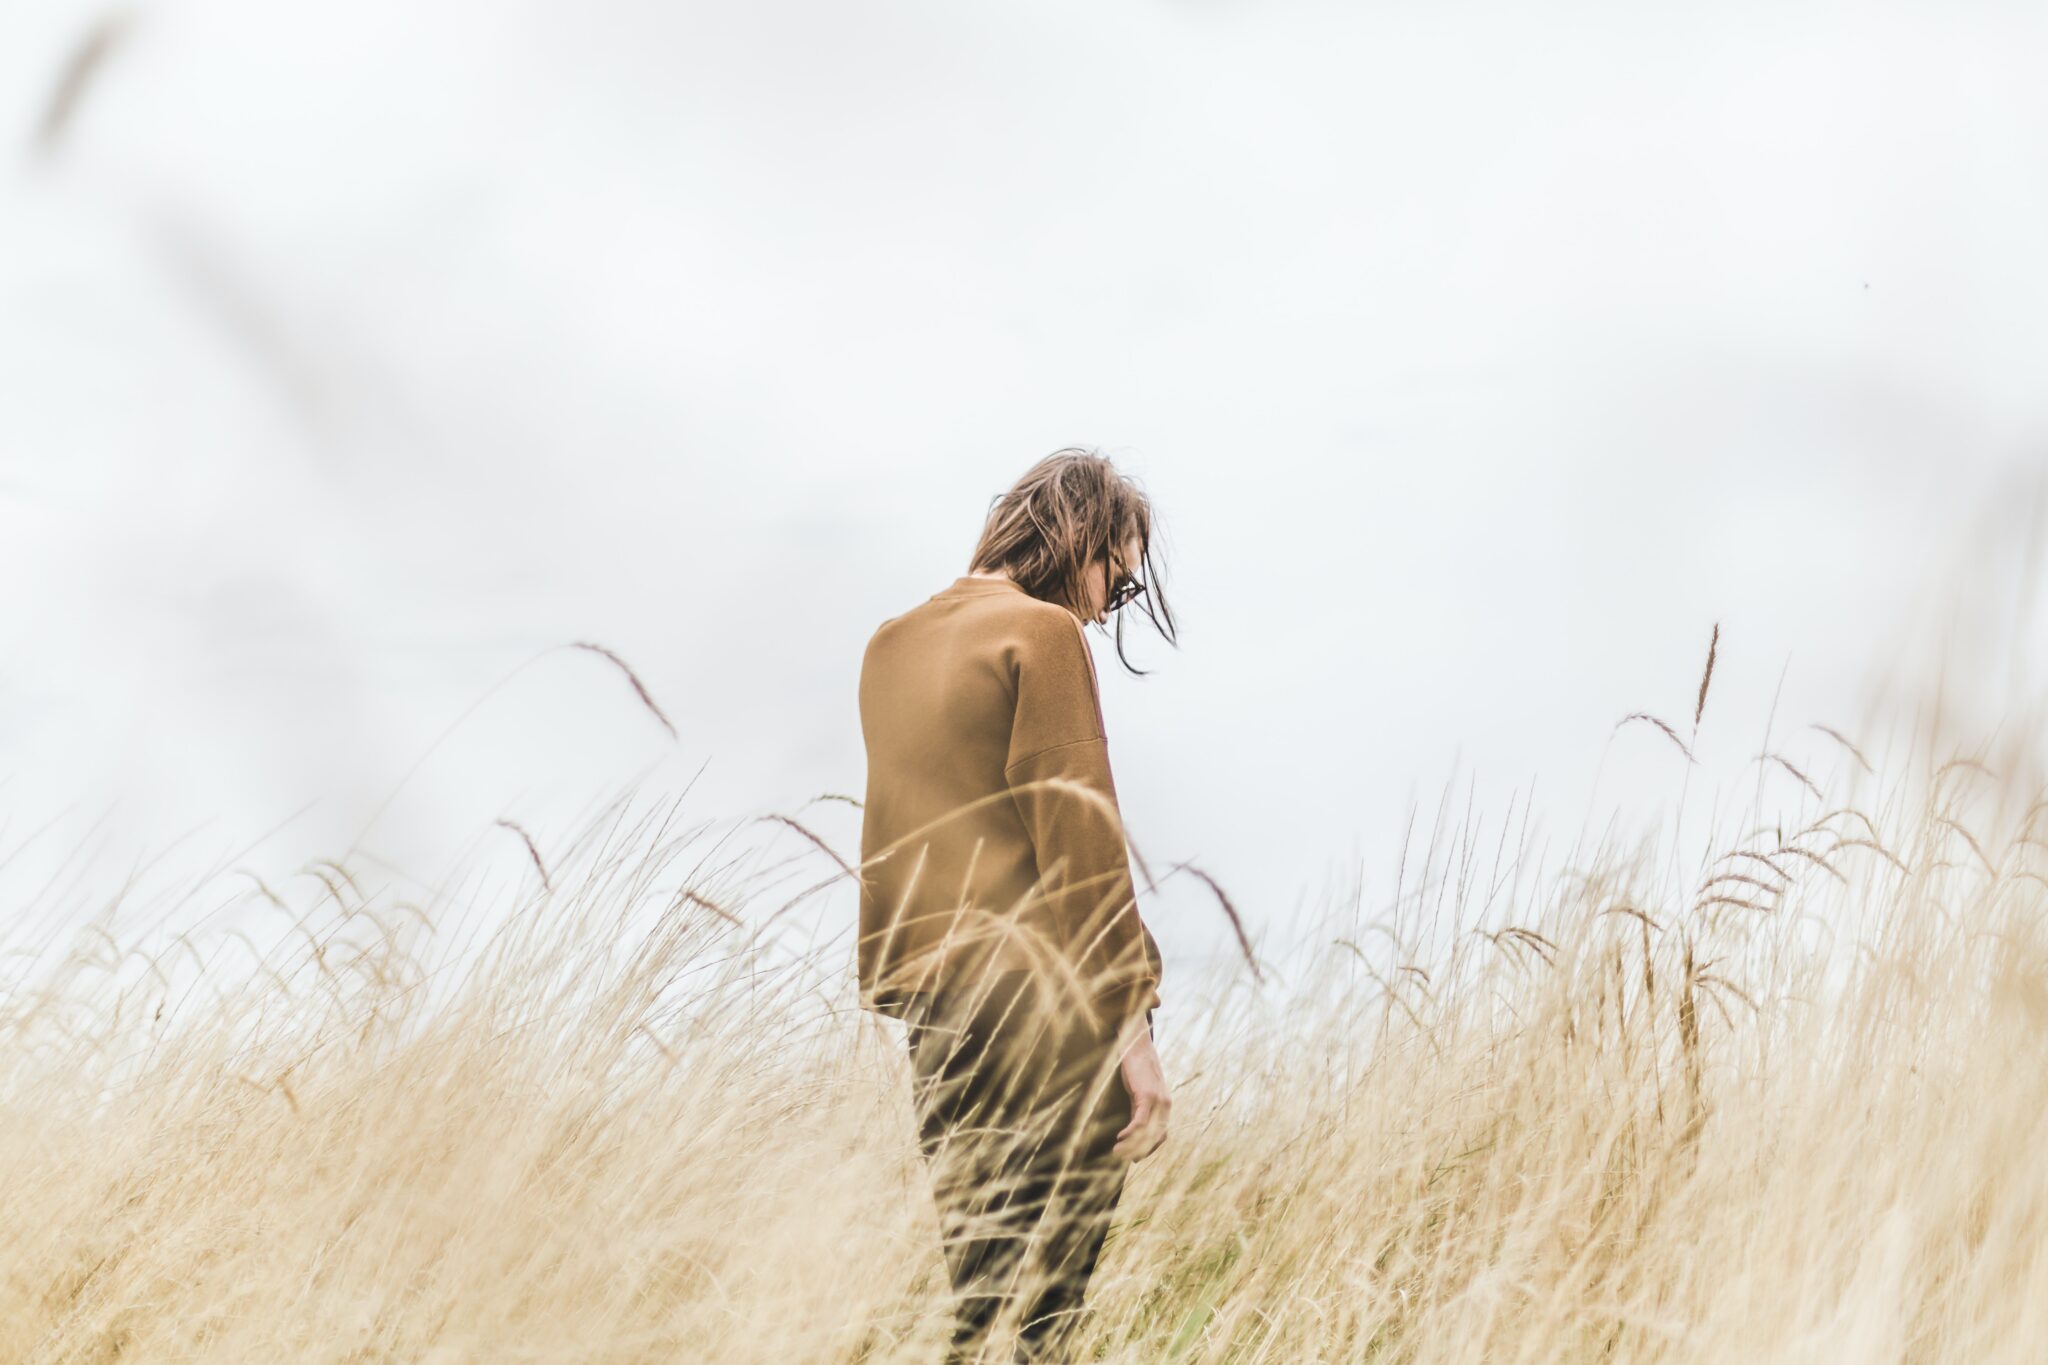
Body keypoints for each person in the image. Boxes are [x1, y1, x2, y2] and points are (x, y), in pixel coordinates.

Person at [856, 447, 1178, 1363]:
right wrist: (1133, 1029)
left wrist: (911, 993)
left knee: (976, 1295)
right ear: (1075, 537)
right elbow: (1079, 840)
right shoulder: (1040, 634)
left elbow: (896, 842)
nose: (1103, 605)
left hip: (938, 1016)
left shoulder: (890, 644)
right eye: (1113, 578)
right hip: (1049, 1008)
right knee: (1050, 1317)